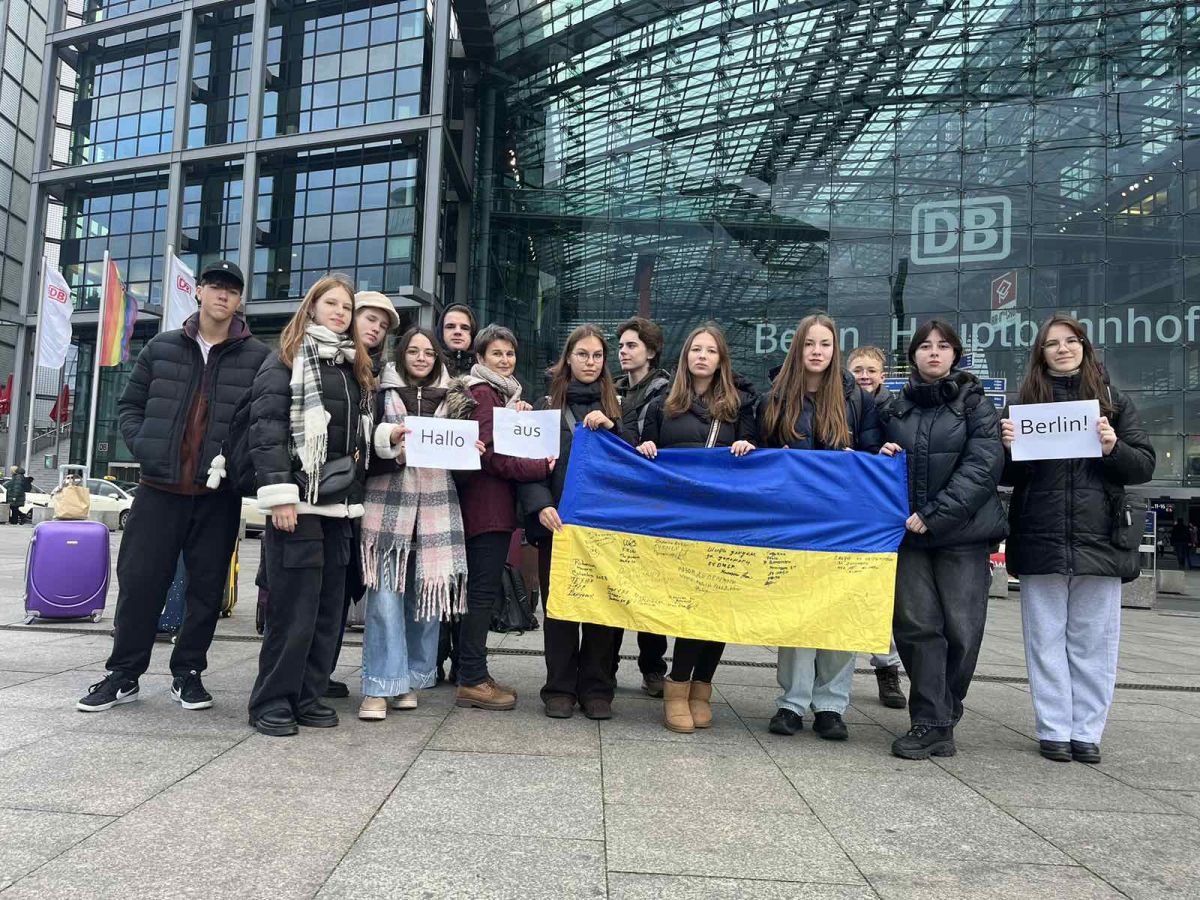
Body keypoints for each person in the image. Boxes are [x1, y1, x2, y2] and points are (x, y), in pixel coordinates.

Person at [77, 260, 270, 713]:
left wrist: (241, 464)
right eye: (215, 286)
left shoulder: (257, 356)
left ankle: (188, 673)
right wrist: (145, 446)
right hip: (159, 490)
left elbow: (263, 420)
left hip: (217, 497)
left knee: (206, 590)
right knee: (141, 583)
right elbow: (130, 405)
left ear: (240, 299)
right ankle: (124, 674)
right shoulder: (162, 347)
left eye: (232, 290)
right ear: (199, 291)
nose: (222, 295)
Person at [1000, 314, 1155, 764]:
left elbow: (1143, 465)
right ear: (1041, 353)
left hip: (1100, 536)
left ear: (1085, 348)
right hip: (1040, 534)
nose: (1063, 349)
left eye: (1071, 341)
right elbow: (1006, 476)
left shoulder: (1113, 401)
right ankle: (1053, 728)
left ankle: (1086, 731)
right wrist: (1007, 450)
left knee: (1095, 641)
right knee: (1044, 639)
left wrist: (1113, 448)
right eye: (1052, 343)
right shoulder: (1023, 404)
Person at [246, 273, 373, 737]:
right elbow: (267, 431)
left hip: (341, 509)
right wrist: (281, 495)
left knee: (326, 614)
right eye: (331, 303)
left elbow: (355, 434)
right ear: (313, 307)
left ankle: (309, 695)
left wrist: (387, 438)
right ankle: (272, 700)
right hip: (297, 507)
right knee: (293, 613)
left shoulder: (352, 366)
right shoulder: (286, 360)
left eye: (347, 307)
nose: (340, 312)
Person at [876, 320, 1007, 760]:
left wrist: (934, 516)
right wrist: (881, 455)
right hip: (908, 537)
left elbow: (982, 467)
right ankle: (931, 720)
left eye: (943, 346)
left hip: (962, 536)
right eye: (925, 346)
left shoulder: (976, 405)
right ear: (913, 355)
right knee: (916, 627)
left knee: (962, 631)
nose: (934, 352)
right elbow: (872, 461)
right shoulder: (895, 409)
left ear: (955, 355)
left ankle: (945, 710)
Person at [760, 316, 881, 741]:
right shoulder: (775, 397)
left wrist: (868, 456)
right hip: (793, 521)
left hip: (845, 521)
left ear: (835, 349)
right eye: (809, 343)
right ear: (798, 348)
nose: (817, 351)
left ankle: (831, 704)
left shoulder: (856, 398)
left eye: (825, 344)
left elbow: (871, 452)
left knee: (839, 610)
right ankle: (792, 702)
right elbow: (762, 454)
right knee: (797, 611)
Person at [636, 323, 757, 734]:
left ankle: (702, 687)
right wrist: (645, 448)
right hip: (678, 521)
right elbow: (644, 460)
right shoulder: (662, 405)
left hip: (723, 522)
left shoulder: (740, 406)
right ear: (685, 356)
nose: (702, 356)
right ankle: (678, 687)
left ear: (721, 360)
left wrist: (748, 447)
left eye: (710, 350)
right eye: (695, 350)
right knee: (691, 607)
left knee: (717, 609)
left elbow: (756, 459)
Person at [358, 326, 478, 720]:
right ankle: (379, 685)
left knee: (425, 603)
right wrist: (389, 439)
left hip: (436, 514)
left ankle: (409, 680)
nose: (422, 358)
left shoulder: (458, 399)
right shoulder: (379, 392)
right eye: (414, 351)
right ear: (402, 354)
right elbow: (363, 443)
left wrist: (472, 450)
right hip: (387, 512)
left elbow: (468, 456)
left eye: (428, 352)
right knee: (384, 601)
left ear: (437, 357)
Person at [519, 324, 624, 720]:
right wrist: (540, 505)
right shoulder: (545, 406)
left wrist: (613, 428)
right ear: (568, 358)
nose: (590, 362)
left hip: (604, 527)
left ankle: (597, 689)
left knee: (601, 609)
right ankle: (559, 688)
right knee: (560, 608)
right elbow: (529, 462)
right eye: (582, 354)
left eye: (597, 355)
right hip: (558, 525)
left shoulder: (619, 407)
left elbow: (634, 459)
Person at [455, 324, 554, 711]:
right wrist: (538, 468)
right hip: (487, 508)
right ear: (480, 358)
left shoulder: (501, 394)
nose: (505, 359)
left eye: (509, 353)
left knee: (479, 592)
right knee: (481, 595)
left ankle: (471, 671)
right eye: (496, 353)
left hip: (491, 508)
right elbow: (490, 455)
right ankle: (472, 679)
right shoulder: (484, 393)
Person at [611, 316, 672, 697]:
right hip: (618, 499)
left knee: (652, 589)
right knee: (614, 587)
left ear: (650, 351)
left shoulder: (666, 392)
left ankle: (653, 667)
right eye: (620, 346)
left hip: (651, 503)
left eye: (631, 345)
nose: (623, 352)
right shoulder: (613, 390)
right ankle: (607, 665)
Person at [847, 345, 907, 710]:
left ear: (883, 376)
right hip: (847, 509)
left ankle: (887, 668)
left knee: (883, 596)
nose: (864, 376)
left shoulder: (897, 410)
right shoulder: (840, 403)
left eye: (871, 370)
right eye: (858, 370)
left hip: (880, 513)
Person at [438, 303, 478, 378]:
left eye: (465, 328)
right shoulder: (428, 365)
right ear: (441, 332)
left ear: (472, 334)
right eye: (450, 327)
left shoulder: (484, 367)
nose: (457, 332)